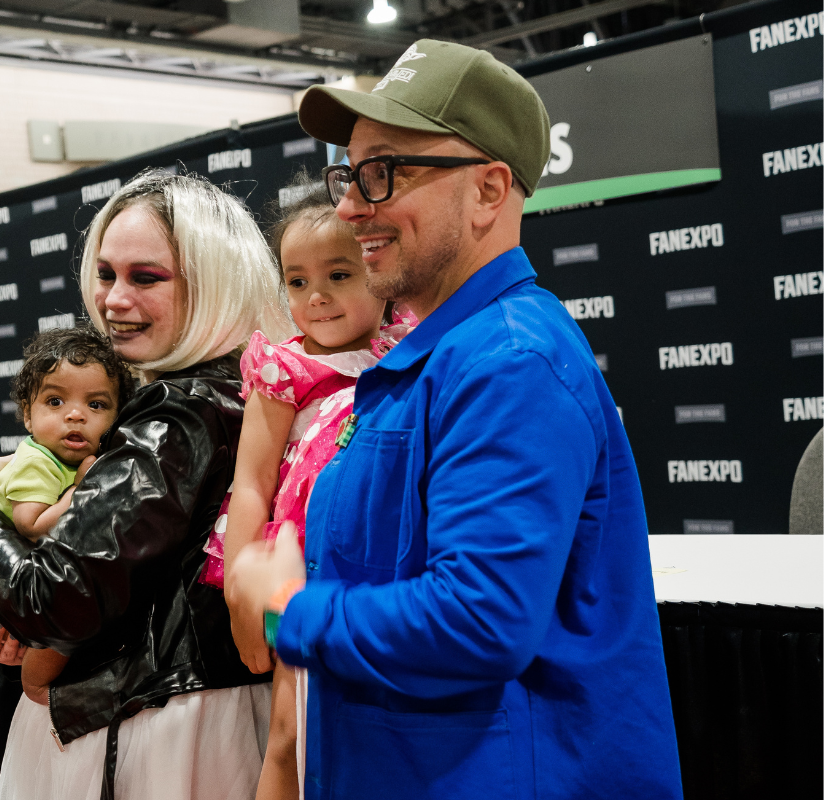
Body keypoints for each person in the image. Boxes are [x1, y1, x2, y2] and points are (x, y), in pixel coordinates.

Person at [228, 39, 683, 799]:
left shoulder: (507, 359)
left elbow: (480, 619)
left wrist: (288, 612)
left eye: (384, 173)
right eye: (349, 173)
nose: (348, 205)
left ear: (488, 190)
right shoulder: (438, 358)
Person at [0, 169, 293, 800]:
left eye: (146, 277)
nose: (112, 300)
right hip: (181, 713)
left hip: (150, 724)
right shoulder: (246, 389)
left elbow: (55, 599)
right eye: (106, 274)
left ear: (212, 282)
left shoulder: (181, 411)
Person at [199, 176, 413, 799]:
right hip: (299, 576)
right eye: (297, 281)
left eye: (339, 276)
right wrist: (242, 597)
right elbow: (249, 484)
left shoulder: (407, 351)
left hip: (378, 577)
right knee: (291, 731)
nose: (315, 296)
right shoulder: (283, 367)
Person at [0, 325, 133, 703]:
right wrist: (80, 491)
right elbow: (30, 526)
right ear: (28, 417)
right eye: (55, 402)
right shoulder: (36, 461)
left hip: (29, 575)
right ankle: (36, 687)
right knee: (68, 616)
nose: (75, 415)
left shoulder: (82, 459)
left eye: (96, 405)